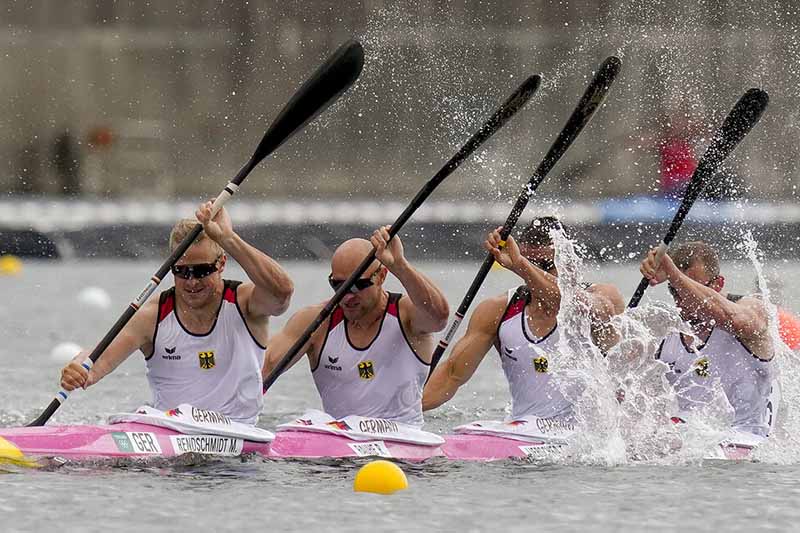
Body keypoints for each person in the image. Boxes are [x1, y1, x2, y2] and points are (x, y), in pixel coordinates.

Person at [60, 201, 294, 424]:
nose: (191, 282)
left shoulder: (246, 304)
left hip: (236, 443)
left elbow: (282, 293)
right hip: (170, 438)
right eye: (181, 271)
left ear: (221, 263)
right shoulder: (152, 315)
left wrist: (228, 238)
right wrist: (81, 369)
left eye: (201, 271)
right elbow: (100, 358)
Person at [423, 217, 624, 422]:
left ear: (571, 262)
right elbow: (451, 376)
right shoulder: (497, 311)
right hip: (525, 432)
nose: (537, 272)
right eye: (532, 263)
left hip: (591, 441)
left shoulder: (604, 297)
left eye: (546, 264)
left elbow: (567, 305)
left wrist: (521, 264)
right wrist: (400, 413)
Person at [262, 226, 450, 427]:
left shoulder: (406, 315)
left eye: (357, 285)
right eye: (338, 285)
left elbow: (439, 318)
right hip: (340, 445)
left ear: (381, 276)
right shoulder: (316, 321)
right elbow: (266, 367)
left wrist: (400, 265)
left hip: (401, 441)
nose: (347, 296)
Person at [640, 241, 779, 436]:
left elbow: (734, 320)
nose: (683, 299)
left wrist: (675, 275)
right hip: (690, 447)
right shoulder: (665, 331)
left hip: (748, 447)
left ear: (718, 284)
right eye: (675, 291)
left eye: (691, 288)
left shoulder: (752, 309)